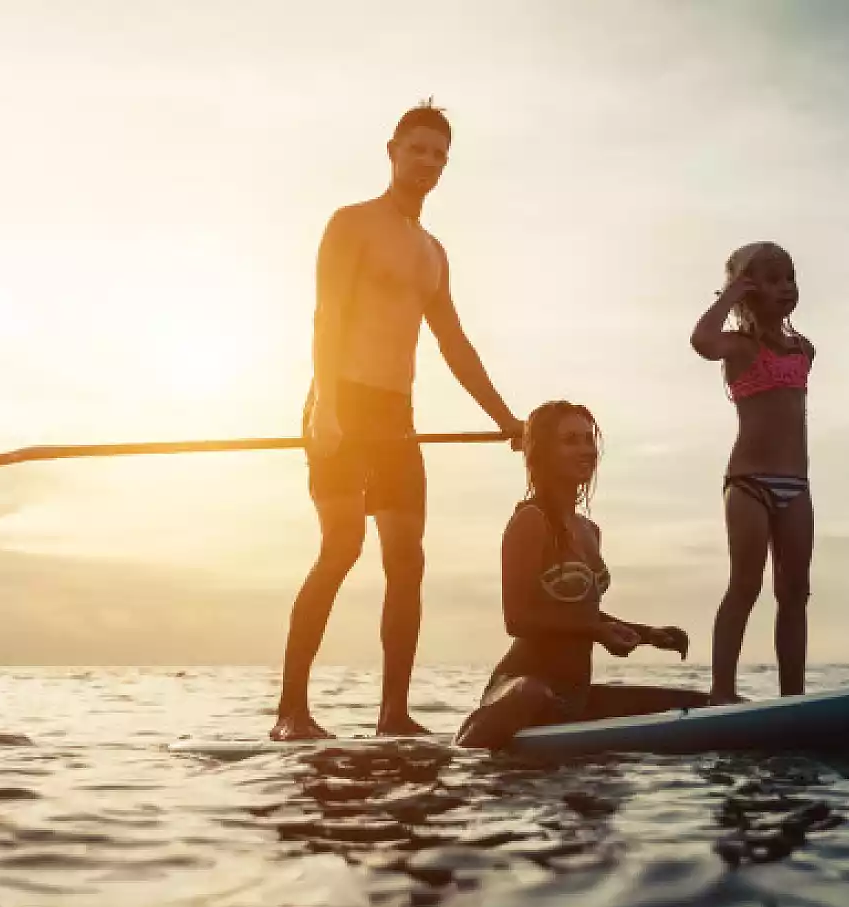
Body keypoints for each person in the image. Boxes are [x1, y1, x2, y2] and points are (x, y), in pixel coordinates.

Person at [271, 101, 525, 741]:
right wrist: (326, 407)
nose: (429, 163)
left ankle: (394, 714)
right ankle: (291, 712)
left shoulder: (434, 253)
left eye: (440, 155)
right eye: (418, 149)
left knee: (406, 562)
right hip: (340, 400)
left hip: (395, 414)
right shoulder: (350, 224)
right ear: (392, 150)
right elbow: (326, 319)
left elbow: (455, 345)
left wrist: (506, 418)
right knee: (341, 547)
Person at [454, 401, 707, 750]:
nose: (586, 449)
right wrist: (596, 631)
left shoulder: (590, 530)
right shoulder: (530, 520)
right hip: (520, 688)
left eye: (589, 440)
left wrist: (647, 634)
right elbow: (518, 620)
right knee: (531, 692)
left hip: (573, 696)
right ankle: (462, 758)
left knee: (698, 705)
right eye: (571, 440)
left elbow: (582, 614)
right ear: (543, 451)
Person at [689, 241, 815, 704]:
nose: (785, 287)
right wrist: (729, 294)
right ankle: (722, 692)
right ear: (747, 288)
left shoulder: (805, 349)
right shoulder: (738, 346)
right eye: (772, 279)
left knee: (796, 591)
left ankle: (793, 698)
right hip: (748, 484)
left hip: (795, 486)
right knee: (745, 585)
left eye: (790, 277)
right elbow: (701, 340)